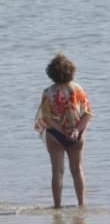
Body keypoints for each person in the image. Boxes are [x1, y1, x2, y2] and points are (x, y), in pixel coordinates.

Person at [34, 54, 92, 208]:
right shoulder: (77, 89)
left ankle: (57, 206)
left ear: (51, 73)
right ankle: (81, 205)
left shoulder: (48, 92)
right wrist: (75, 131)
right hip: (76, 134)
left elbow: (46, 118)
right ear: (70, 71)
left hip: (55, 135)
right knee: (77, 170)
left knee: (57, 171)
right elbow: (87, 113)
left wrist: (62, 131)